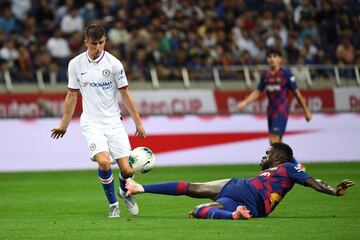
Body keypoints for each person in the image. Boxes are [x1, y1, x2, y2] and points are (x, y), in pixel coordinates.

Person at [51, 24, 146, 218]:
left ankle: (124, 192)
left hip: (113, 123)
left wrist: (138, 122)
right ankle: (113, 205)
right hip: (91, 123)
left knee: (127, 170)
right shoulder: (75, 64)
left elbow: (125, 94)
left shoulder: (114, 64)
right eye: (94, 43)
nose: (98, 47)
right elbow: (71, 95)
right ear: (85, 42)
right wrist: (63, 124)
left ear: (105, 41)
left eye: (101, 43)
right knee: (104, 162)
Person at [125, 142, 354, 220]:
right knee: (196, 201)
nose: (264, 156)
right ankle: (140, 188)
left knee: (195, 198)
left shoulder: (289, 168)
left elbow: (314, 182)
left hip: (250, 196)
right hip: (242, 191)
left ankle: (234, 214)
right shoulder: (274, 171)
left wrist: (334, 191)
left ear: (278, 157)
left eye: (268, 152)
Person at [238, 48, 312, 168]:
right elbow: (257, 91)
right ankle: (294, 165)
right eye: (269, 56)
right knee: (278, 142)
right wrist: (245, 102)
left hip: (281, 110)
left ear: (280, 59)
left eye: (274, 56)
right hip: (271, 111)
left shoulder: (285, 74)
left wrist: (306, 111)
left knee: (273, 141)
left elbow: (296, 93)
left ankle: (284, 166)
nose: (271, 59)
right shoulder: (266, 75)